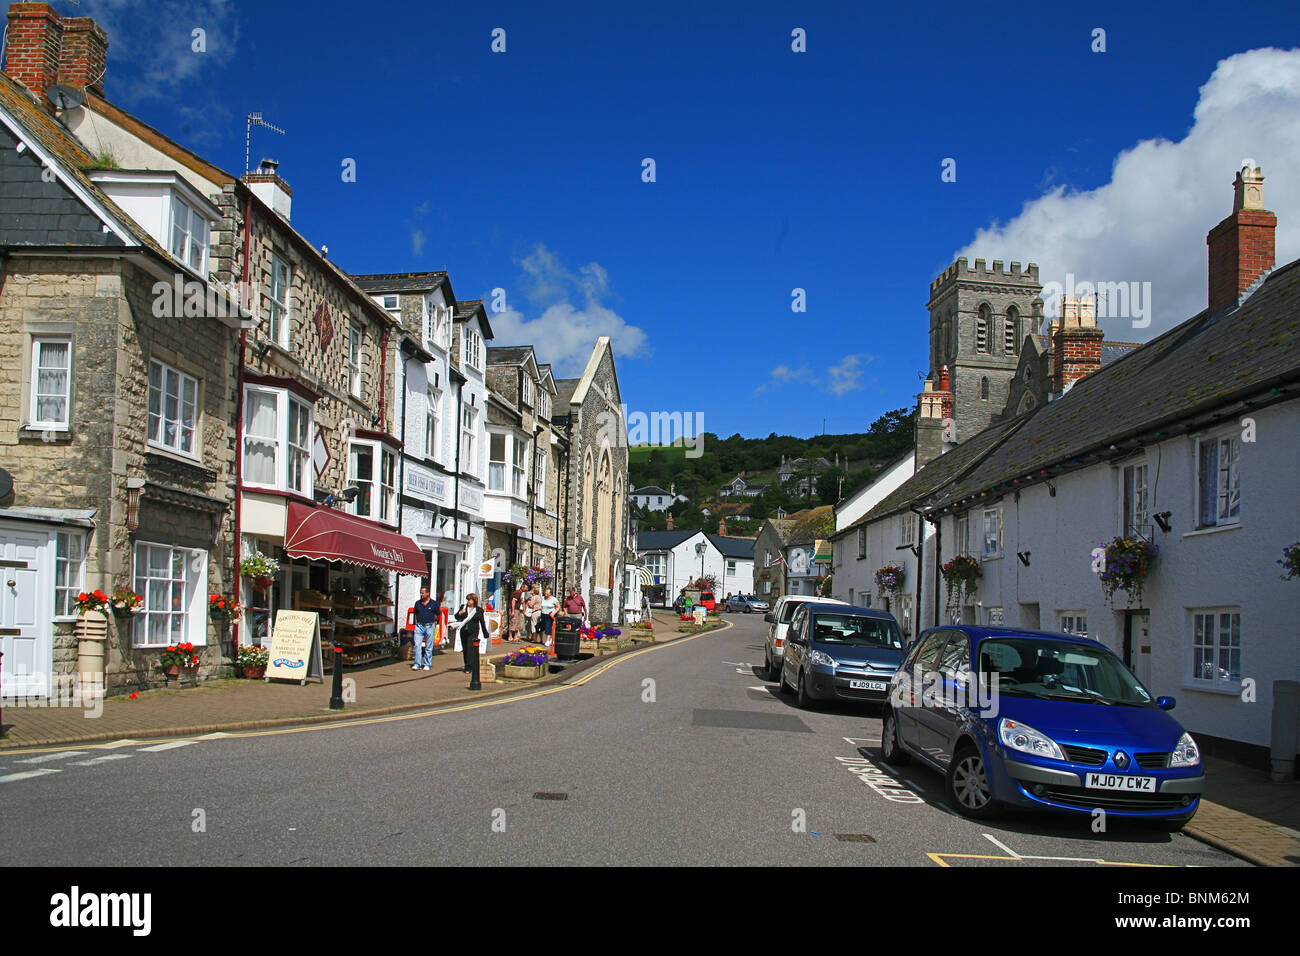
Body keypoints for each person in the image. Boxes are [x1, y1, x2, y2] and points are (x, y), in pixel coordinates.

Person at [454, 593, 486, 689]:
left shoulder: (479, 610)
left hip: (473, 631)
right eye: (468, 600)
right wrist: (460, 613)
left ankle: (470, 667)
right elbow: (456, 617)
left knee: (471, 648)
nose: (468, 602)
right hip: (464, 631)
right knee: (465, 650)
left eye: (470, 600)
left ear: (474, 601)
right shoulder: (463, 608)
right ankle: (467, 666)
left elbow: (482, 622)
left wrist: (485, 633)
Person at [411, 586, 440, 670]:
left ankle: (427, 664)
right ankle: (417, 663)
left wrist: (433, 621)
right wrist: (416, 623)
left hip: (429, 626)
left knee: (428, 646)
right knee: (417, 645)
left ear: (428, 593)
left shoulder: (434, 603)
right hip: (419, 626)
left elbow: (438, 614)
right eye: (421, 593)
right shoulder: (417, 603)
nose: (421, 594)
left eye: (423, 593)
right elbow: (415, 613)